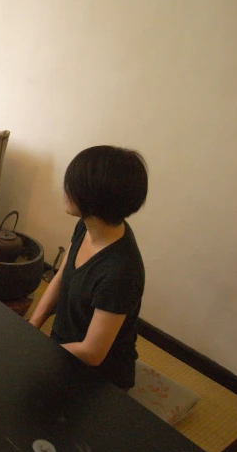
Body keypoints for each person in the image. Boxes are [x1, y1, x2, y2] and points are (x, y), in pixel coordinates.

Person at [28, 145, 148, 389]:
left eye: (73, 186)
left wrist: (40, 355)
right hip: (63, 347)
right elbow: (63, 275)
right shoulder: (87, 225)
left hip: (100, 375)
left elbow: (93, 353)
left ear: (98, 199)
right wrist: (31, 328)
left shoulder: (120, 272)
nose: (65, 190)